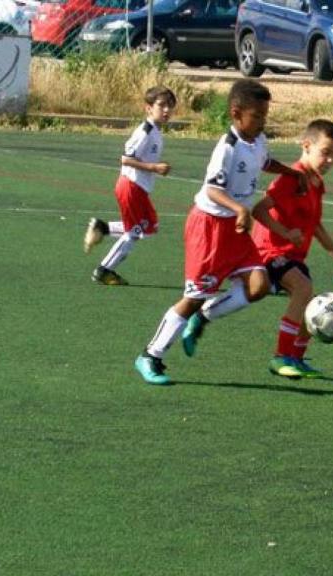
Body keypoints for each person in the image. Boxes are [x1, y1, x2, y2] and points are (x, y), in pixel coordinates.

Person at [133, 79, 306, 385]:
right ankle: (151, 355)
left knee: (259, 286)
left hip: (234, 228)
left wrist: (291, 172)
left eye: (265, 116)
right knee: (194, 297)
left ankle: (203, 319)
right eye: (257, 116)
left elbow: (264, 161)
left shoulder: (258, 139)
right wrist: (240, 209)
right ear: (236, 113)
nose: (262, 122)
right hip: (209, 227)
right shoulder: (226, 148)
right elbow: (212, 190)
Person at [251, 119, 333, 379]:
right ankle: (280, 357)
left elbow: (315, 225)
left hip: (293, 255)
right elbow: (259, 209)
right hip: (270, 252)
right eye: (325, 153)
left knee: (310, 305)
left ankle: (297, 359)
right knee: (304, 289)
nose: (330, 161)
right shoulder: (291, 179)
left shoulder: (316, 183)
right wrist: (285, 233)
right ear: (306, 145)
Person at [83, 85, 176, 286]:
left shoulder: (156, 132)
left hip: (138, 188)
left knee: (150, 226)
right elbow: (125, 159)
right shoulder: (145, 131)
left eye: (170, 106)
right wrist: (154, 167)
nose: (167, 110)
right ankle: (104, 270)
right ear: (148, 108)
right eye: (161, 105)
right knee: (134, 232)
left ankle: (103, 228)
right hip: (131, 186)